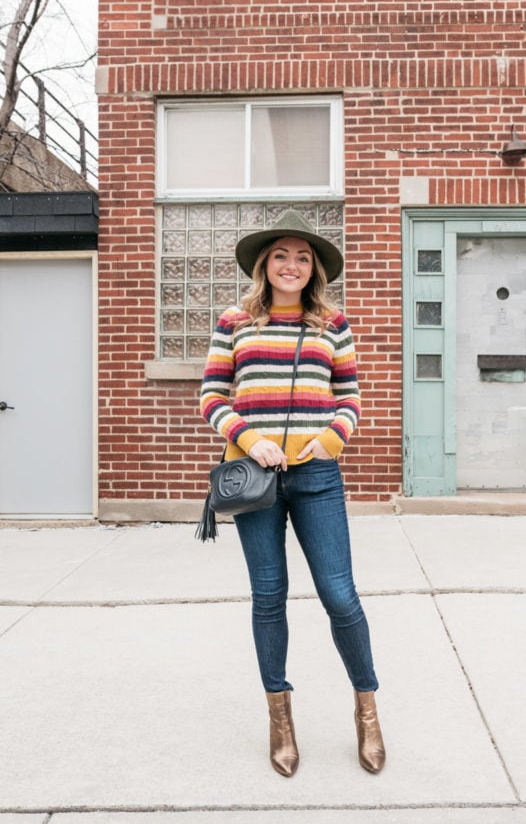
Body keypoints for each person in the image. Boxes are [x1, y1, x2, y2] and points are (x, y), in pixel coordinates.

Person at [200, 209, 385, 777]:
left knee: (339, 595)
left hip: (317, 478)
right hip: (255, 479)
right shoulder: (236, 320)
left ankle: (368, 710)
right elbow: (212, 395)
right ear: (264, 264)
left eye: (303, 257)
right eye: (281, 255)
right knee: (268, 596)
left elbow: (350, 395)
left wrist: (331, 439)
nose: (291, 265)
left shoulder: (333, 323)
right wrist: (250, 440)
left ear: (314, 270)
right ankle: (280, 719)